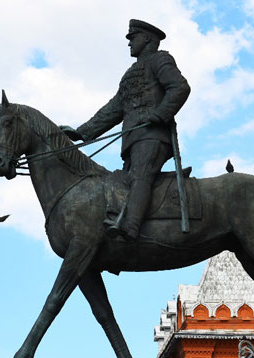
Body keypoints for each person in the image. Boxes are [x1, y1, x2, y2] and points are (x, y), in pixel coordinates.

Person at [61, 19, 190, 241]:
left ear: (146, 38)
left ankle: (130, 227)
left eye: (133, 38)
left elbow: (179, 87)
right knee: (126, 180)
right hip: (133, 139)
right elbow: (114, 109)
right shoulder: (131, 73)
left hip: (153, 136)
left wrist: (160, 114)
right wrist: (82, 132)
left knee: (141, 176)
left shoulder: (160, 60)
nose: (129, 43)